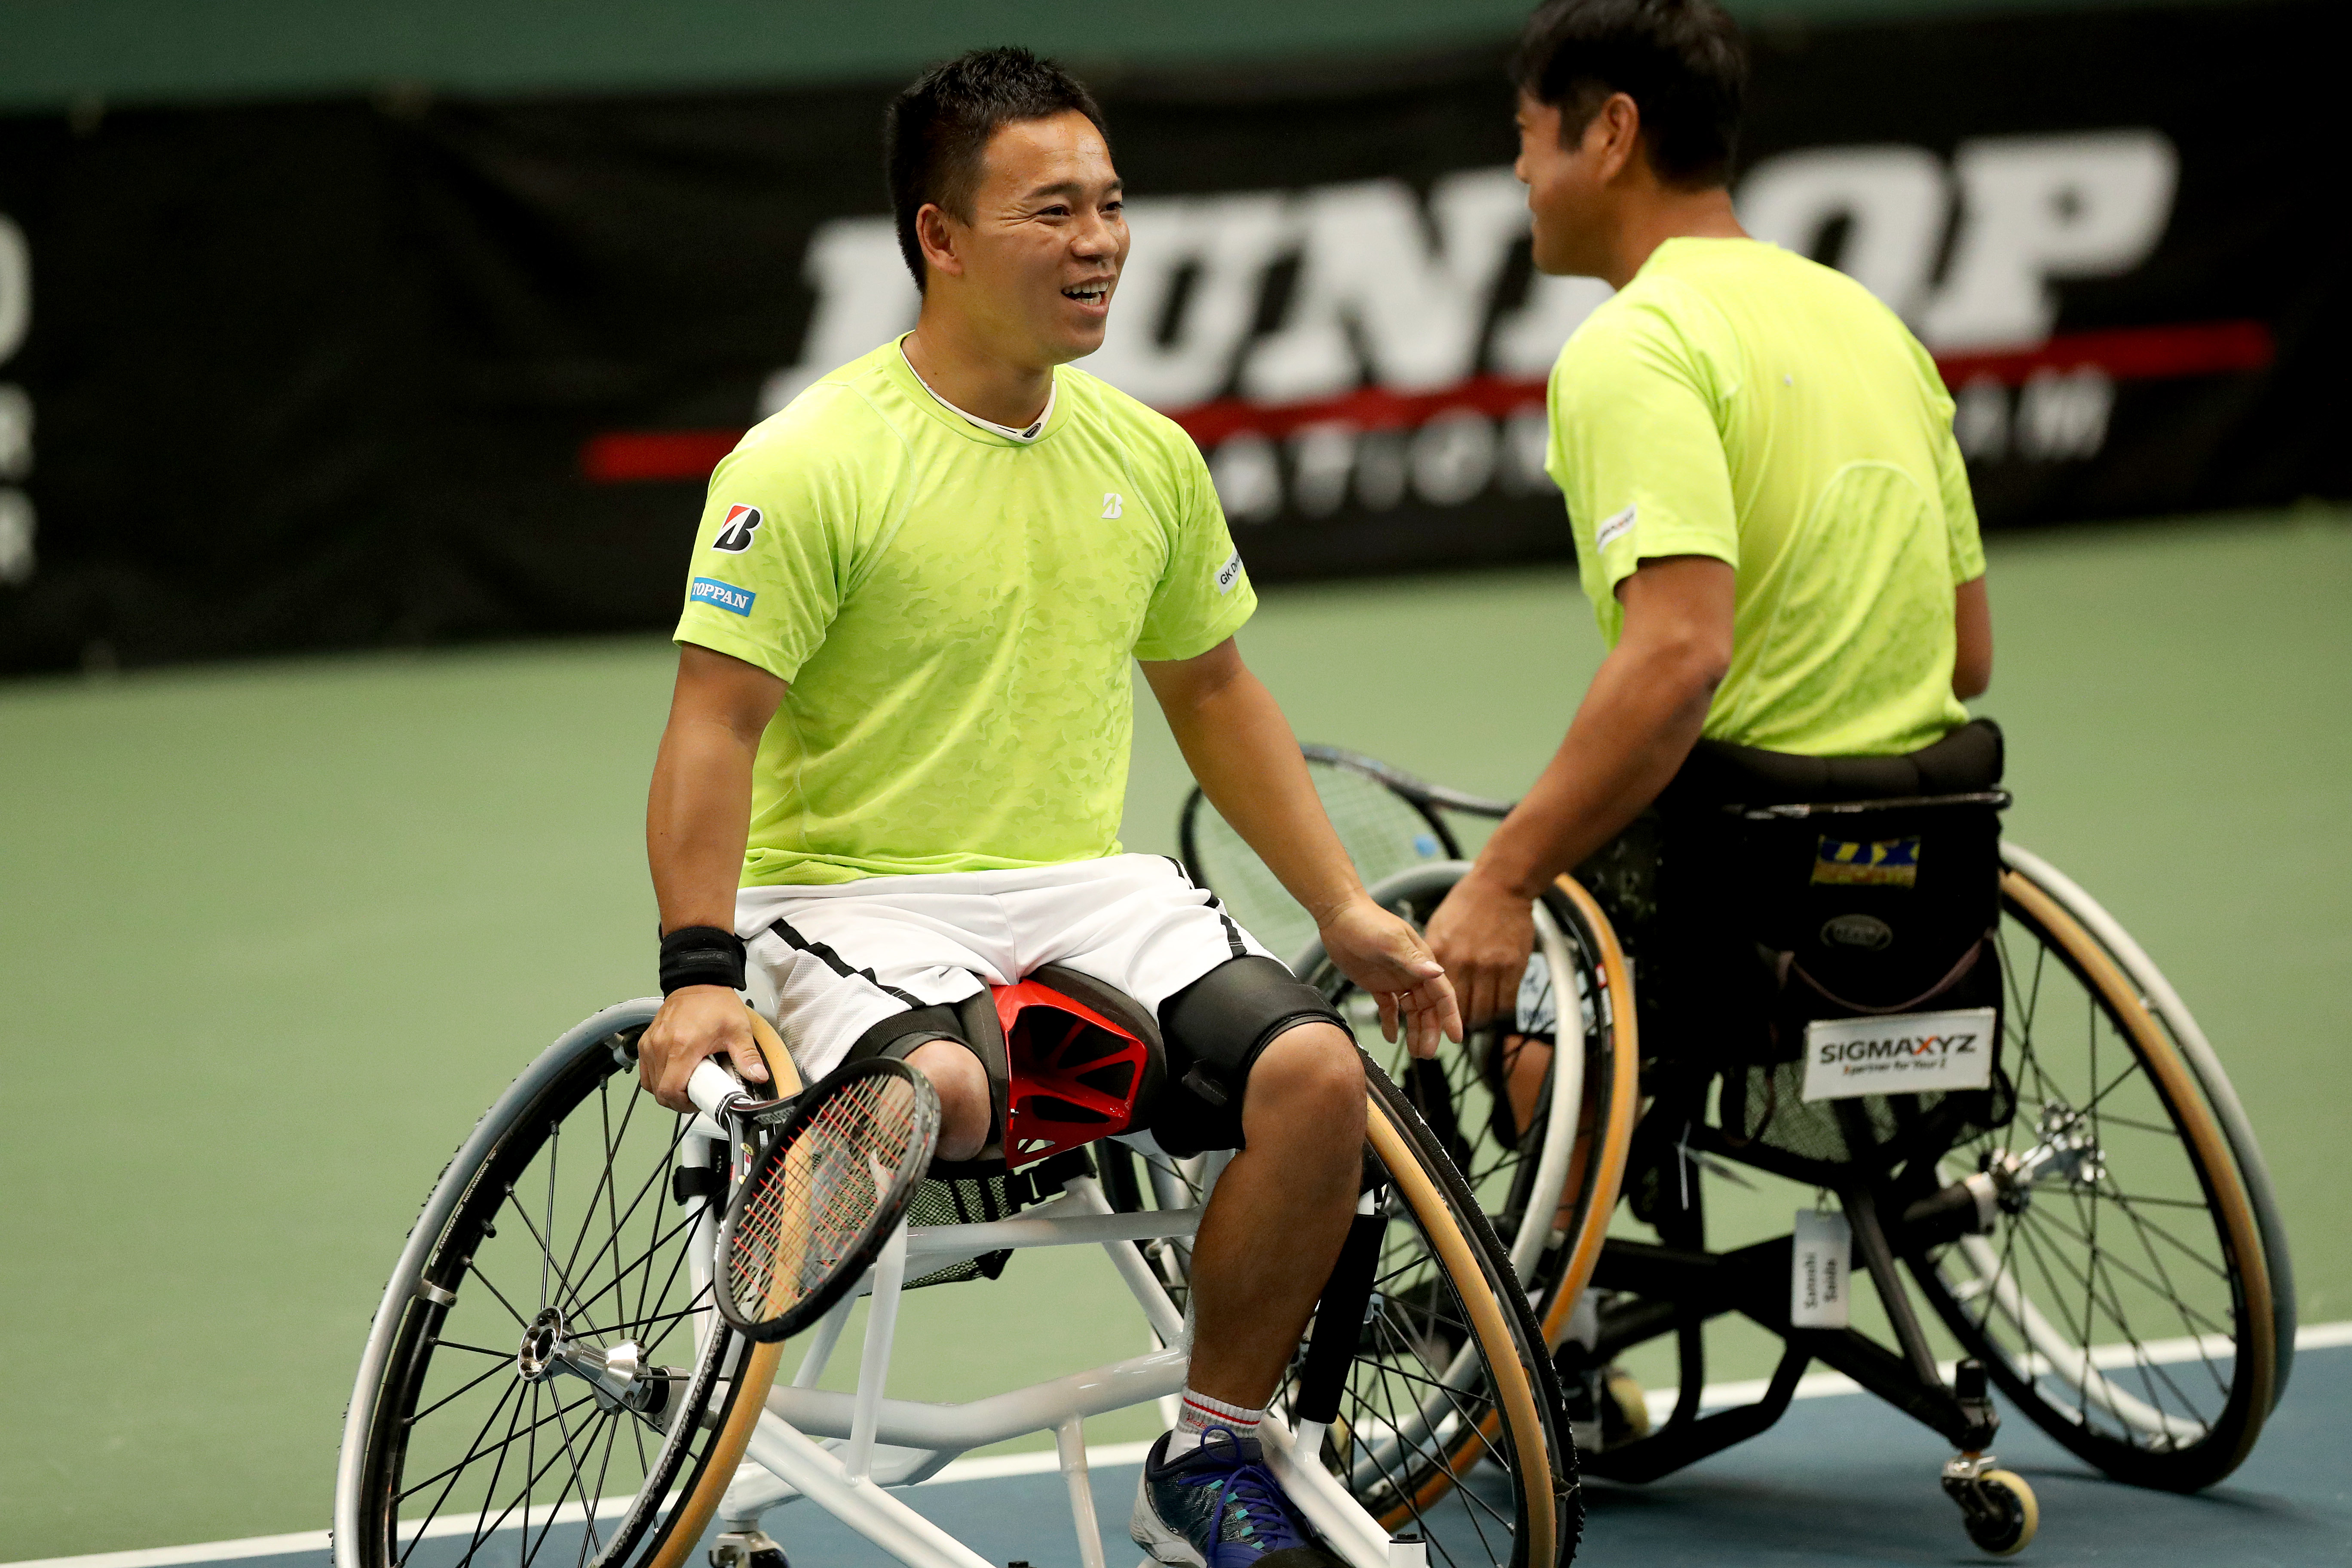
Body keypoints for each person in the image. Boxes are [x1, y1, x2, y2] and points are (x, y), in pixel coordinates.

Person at [634, 48, 1459, 1568]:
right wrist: (696, 976)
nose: (1100, 243)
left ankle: (1208, 1457)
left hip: (1085, 889)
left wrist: (1344, 905)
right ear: (940, 239)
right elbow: (714, 724)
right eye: (1052, 211)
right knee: (937, 1098)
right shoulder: (807, 462)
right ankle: (738, 1344)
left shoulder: (1145, 457)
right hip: (849, 898)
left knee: (1316, 1078)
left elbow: (1214, 694)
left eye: (1112, 205)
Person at [1424, 0, 1994, 1444]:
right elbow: (1968, 655)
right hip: (1930, 876)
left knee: (1505, 948)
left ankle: (1547, 1315)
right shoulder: (1875, 326)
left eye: (1526, 141)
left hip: (1730, 880)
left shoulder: (1637, 346)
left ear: (1607, 132)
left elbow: (1678, 660)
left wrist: (1501, 883)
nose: (1519, 178)